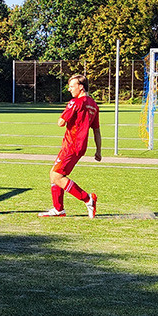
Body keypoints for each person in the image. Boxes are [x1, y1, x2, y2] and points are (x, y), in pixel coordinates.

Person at [41, 73, 101, 218]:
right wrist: (98, 150)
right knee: (54, 174)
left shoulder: (76, 102)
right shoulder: (93, 105)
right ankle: (58, 209)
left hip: (71, 145)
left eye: (72, 86)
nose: (69, 89)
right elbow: (97, 130)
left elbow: (61, 122)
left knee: (57, 176)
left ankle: (88, 199)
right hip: (80, 146)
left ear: (81, 87)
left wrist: (65, 115)